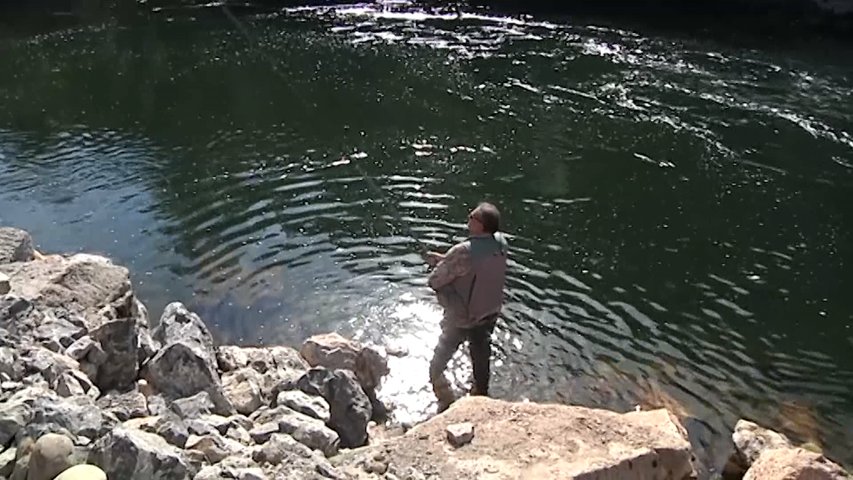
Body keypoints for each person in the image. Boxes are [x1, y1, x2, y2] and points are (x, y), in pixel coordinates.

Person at [424, 202, 508, 410]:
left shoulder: (462, 251)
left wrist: (440, 266)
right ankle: (481, 397)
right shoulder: (501, 242)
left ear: (480, 226)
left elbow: (435, 281)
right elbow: (471, 265)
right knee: (481, 360)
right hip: (489, 313)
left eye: (472, 217)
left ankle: (445, 400)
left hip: (462, 319)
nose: (468, 218)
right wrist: (445, 260)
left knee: (438, 364)